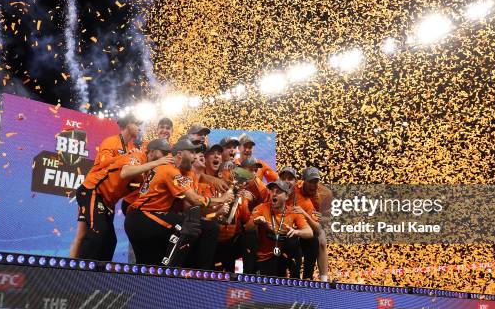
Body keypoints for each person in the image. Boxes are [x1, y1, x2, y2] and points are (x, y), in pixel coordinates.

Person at [125, 138, 233, 266]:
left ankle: (191, 275)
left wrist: (214, 211)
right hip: (142, 218)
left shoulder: (187, 174)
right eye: (192, 152)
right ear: (180, 154)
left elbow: (191, 205)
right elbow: (193, 199)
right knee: (187, 226)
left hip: (151, 218)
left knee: (149, 266)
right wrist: (221, 199)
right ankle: (177, 272)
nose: (196, 156)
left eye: (197, 153)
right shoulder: (169, 169)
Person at [69, 113, 142, 259]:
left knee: (108, 239)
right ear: (127, 124)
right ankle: (80, 273)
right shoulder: (111, 141)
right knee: (96, 232)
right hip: (93, 191)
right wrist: (127, 156)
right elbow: (104, 162)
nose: (139, 128)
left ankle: (100, 275)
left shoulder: (132, 148)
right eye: (136, 124)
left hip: (107, 200)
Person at [246, 180, 313, 277]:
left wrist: (296, 232)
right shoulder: (261, 208)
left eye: (278, 192)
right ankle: (246, 277)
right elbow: (247, 228)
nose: (274, 194)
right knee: (249, 237)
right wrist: (255, 222)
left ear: (286, 196)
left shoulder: (292, 212)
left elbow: (309, 232)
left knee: (293, 241)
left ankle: (296, 281)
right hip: (264, 257)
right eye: (272, 191)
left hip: (283, 256)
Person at [278, 166, 321, 280]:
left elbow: (317, 230)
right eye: (283, 178)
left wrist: (304, 214)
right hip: (274, 238)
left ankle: (306, 279)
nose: (286, 181)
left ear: (296, 181)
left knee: (314, 241)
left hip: (294, 238)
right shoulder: (271, 193)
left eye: (290, 178)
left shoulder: (306, 201)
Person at [300, 167, 331, 282]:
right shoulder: (295, 188)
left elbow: (329, 218)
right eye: (310, 182)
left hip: (314, 224)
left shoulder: (325, 193)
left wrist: (321, 218)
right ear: (303, 180)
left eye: (316, 181)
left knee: (321, 242)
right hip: (296, 222)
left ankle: (323, 280)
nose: (313, 185)